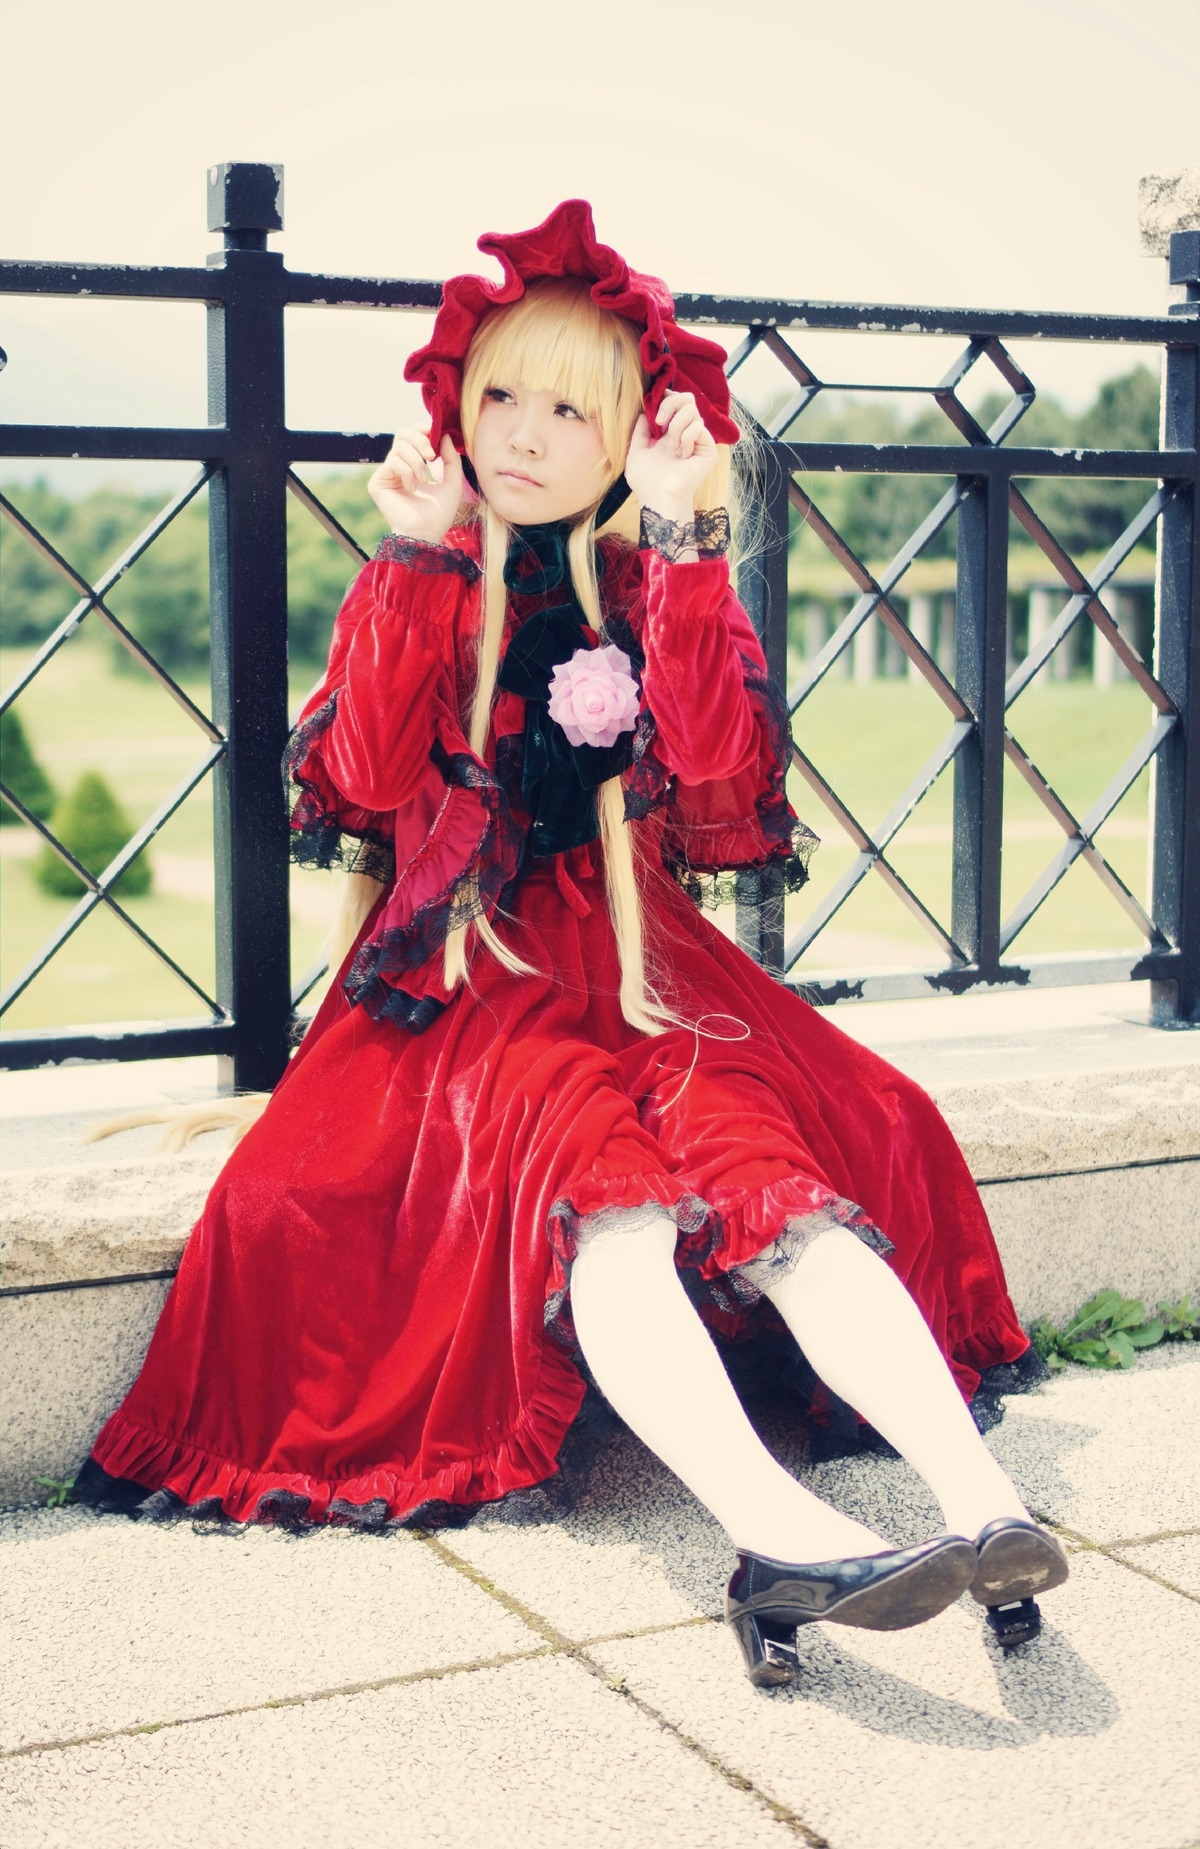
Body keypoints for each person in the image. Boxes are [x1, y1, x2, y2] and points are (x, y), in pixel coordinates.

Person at [74, 200, 1067, 1690]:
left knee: (766, 1177)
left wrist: (684, 536)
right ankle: (775, 1531)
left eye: (569, 407)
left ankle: (987, 1508)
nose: (525, 434)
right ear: (454, 408)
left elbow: (724, 781)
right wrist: (412, 558)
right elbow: (353, 778)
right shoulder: (427, 562)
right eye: (499, 399)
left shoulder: (663, 566)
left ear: (629, 428)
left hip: (646, 966)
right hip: (472, 984)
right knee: (601, 1199)